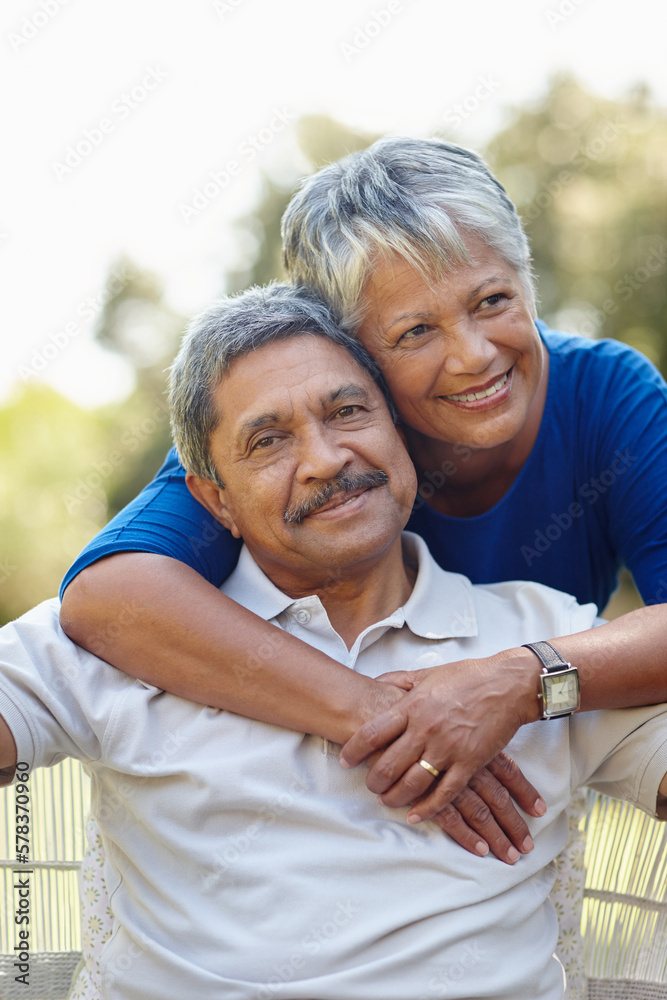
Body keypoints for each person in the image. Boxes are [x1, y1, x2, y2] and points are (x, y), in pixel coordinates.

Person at [3, 284, 667, 1000]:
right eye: (268, 441)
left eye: (347, 411)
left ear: (401, 431)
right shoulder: (126, 646)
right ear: (215, 499)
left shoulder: (542, 636)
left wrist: (529, 682)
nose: (323, 459)